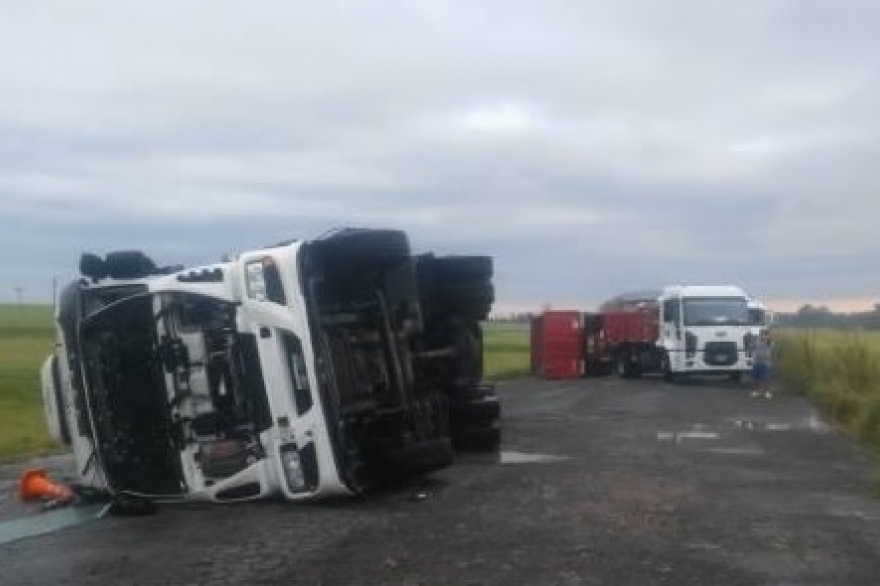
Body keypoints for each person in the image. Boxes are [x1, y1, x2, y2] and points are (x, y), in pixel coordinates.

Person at [750, 330, 773, 398]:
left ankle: (767, 392)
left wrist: (767, 339)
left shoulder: (769, 341)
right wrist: (752, 339)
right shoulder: (756, 341)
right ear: (759, 335)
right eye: (762, 334)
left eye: (765, 334)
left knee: (766, 378)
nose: (763, 336)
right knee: (756, 378)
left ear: (768, 335)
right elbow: (751, 347)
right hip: (756, 361)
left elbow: (771, 346)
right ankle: (756, 391)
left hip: (766, 362)